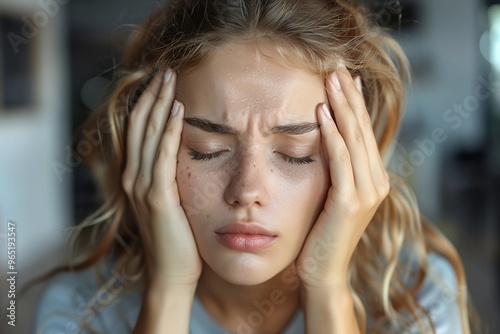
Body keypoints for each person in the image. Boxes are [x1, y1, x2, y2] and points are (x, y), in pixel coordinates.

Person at [32, 0, 481, 333]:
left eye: (296, 153)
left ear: (355, 156)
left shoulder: (417, 296)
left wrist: (327, 288)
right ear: (148, 147)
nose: (246, 190)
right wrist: (168, 289)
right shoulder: (78, 312)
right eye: (206, 147)